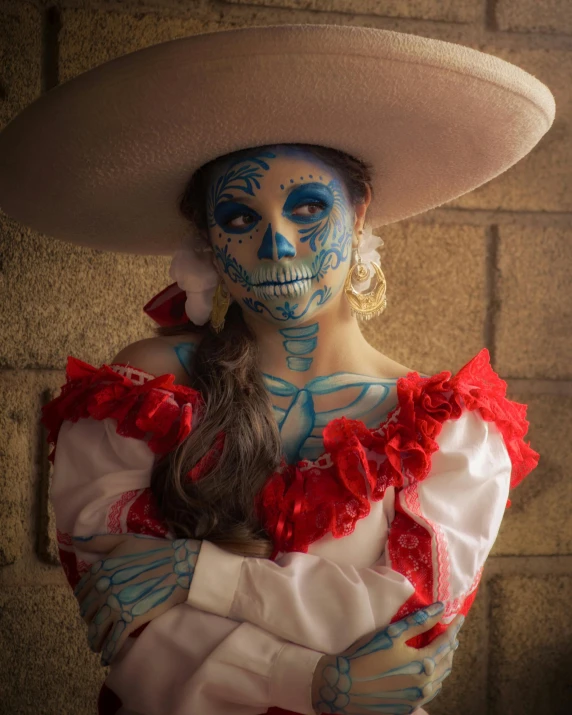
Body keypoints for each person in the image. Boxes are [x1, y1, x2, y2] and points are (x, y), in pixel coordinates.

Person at [0, 23, 551, 715]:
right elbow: (125, 622)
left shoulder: (451, 432)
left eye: (309, 207)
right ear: (208, 239)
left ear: (361, 212)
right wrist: (317, 682)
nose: (276, 241)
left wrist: (194, 570)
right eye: (238, 215)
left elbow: (403, 626)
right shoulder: (145, 389)